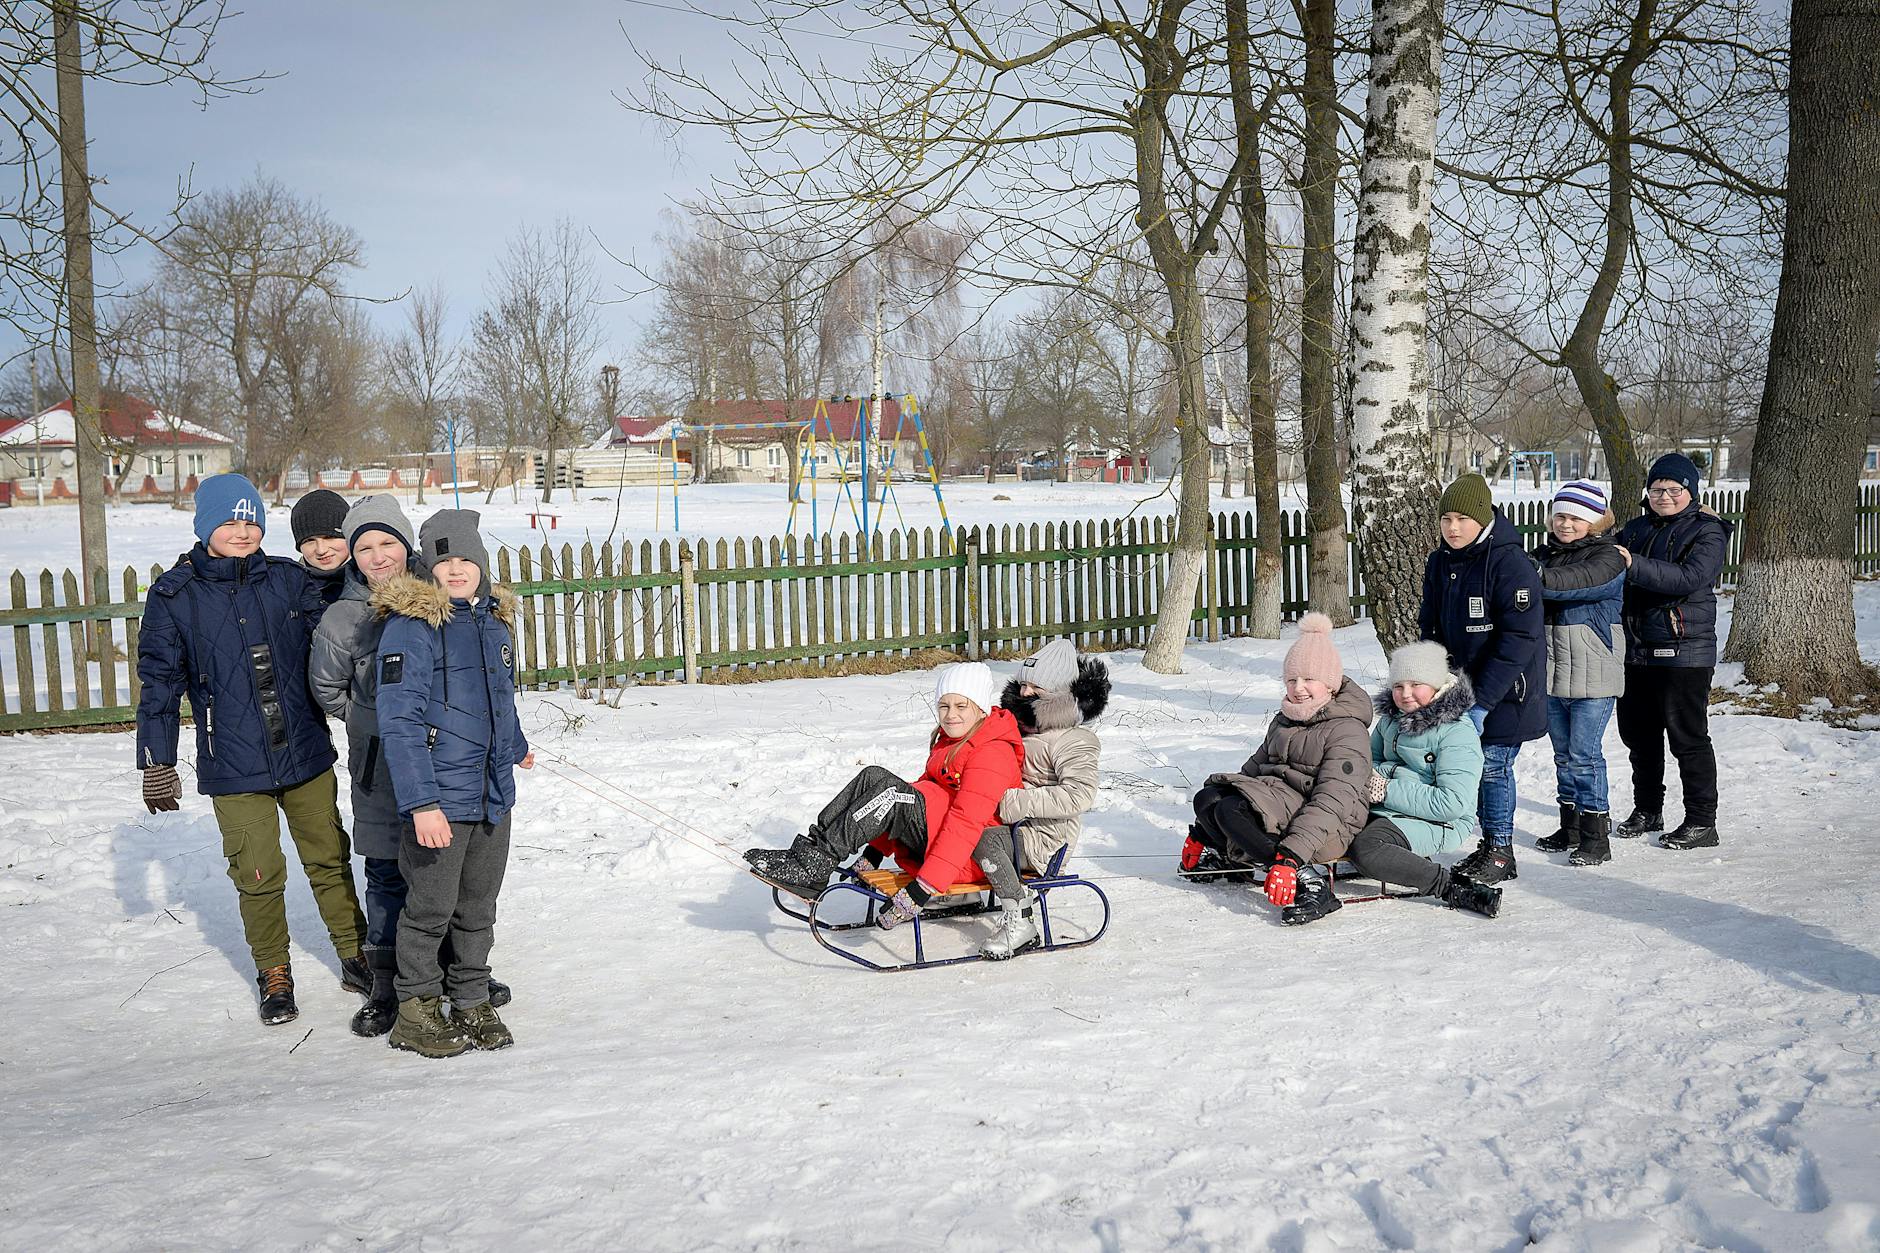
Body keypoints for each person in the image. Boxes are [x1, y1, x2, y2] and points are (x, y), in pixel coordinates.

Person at [134, 473, 368, 1026]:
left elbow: (344, 626)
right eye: (228, 521)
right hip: (234, 762)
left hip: (305, 750)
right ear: (205, 525)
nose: (241, 531)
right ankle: (274, 972)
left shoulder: (290, 581)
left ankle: (356, 952)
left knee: (329, 858)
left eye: (250, 520)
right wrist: (157, 759)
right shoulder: (175, 596)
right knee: (258, 873)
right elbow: (160, 683)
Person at [308, 495, 514, 1038]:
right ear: (353, 557)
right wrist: (373, 719)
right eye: (365, 548)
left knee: (455, 883)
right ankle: (389, 989)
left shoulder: (451, 602)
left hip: (454, 768)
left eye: (388, 543)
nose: (378, 557)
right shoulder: (347, 616)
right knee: (389, 875)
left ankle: (457, 980)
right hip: (385, 762)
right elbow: (327, 688)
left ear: (407, 548)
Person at [375, 510, 533, 1058]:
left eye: (467, 558)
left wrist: (516, 748)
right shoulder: (412, 627)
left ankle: (469, 996)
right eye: (445, 560)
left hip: (492, 792)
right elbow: (399, 722)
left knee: (478, 905)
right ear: (428, 567)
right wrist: (422, 804)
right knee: (429, 908)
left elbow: (498, 700)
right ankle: (415, 1010)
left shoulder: (492, 622)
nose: (457, 569)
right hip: (440, 799)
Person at [744, 663, 1027, 937]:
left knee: (891, 794)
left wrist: (923, 889)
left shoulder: (991, 752)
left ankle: (815, 867)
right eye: (944, 706)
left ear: (980, 707)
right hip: (936, 836)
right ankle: (811, 855)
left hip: (964, 856)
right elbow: (923, 793)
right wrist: (875, 850)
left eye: (960, 706)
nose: (950, 714)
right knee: (873, 776)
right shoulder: (955, 739)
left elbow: (966, 823)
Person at [1180, 613, 1372, 925]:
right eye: (1291, 680)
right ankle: (1236, 859)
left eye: (1309, 679)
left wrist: (1291, 857)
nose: (1299, 688)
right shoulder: (1286, 718)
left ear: (1331, 684)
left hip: (1326, 826)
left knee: (1231, 810)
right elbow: (1253, 771)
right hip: (1282, 805)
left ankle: (1308, 882)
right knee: (1210, 798)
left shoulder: (1347, 731)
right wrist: (1205, 829)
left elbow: (1333, 802)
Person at [1419, 473, 1546, 884]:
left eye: (1462, 519)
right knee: (1465, 766)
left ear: (1483, 518)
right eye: (1446, 519)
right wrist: (1433, 679)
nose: (1452, 527)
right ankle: (1483, 843)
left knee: (1493, 766)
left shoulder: (1510, 563)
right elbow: (1431, 628)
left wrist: (1482, 701)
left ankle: (1500, 851)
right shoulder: (1440, 562)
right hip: (1458, 690)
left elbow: (1520, 637)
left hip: (1506, 690)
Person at [1613, 453, 1732, 850]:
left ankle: (1702, 821)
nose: (1664, 496)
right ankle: (1648, 809)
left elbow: (1690, 577)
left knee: (1688, 736)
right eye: (1657, 489)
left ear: (1690, 492)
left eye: (1673, 490)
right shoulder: (1635, 528)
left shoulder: (1708, 531)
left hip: (1684, 651)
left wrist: (1633, 565)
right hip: (1636, 649)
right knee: (1639, 736)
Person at [1346, 641, 1501, 918]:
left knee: (1367, 849)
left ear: (1436, 685)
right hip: (1387, 807)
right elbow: (1367, 763)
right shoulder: (1390, 722)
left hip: (1438, 821)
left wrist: (1387, 788)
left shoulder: (1457, 733)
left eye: (1416, 684)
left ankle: (1451, 886)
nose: (1405, 695)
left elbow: (1451, 803)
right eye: (1398, 686)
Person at [985, 639, 1110, 960]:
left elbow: (1079, 795)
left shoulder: (1074, 740)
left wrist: (1015, 802)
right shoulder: (1020, 728)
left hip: (1042, 838)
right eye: (1023, 685)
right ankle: (951, 889)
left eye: (1035, 687)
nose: (1025, 693)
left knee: (977, 837)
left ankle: (1021, 919)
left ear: (1057, 694)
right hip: (1009, 825)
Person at [1530, 480, 1626, 866]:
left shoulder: (1610, 557)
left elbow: (1573, 585)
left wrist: (1532, 576)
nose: (1565, 524)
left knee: (1584, 755)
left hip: (1593, 671)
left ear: (1594, 521)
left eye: (1575, 517)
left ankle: (1595, 836)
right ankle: (1569, 826)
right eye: (1560, 516)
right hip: (1553, 670)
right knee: (1562, 756)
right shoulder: (1544, 556)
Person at [291, 489, 351, 606]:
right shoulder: (289, 590)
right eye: (309, 541)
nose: (321, 550)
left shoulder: (376, 581)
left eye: (329, 537)